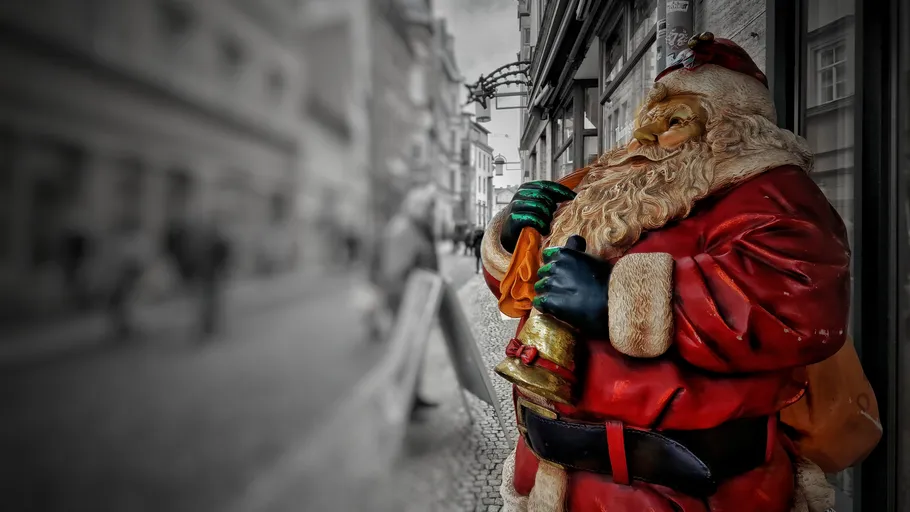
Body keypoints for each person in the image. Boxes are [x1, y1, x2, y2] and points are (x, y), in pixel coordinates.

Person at [479, 34, 878, 511]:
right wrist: (516, 236)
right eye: (647, 120)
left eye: (674, 121)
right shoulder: (604, 187)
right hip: (551, 479)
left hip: (681, 491)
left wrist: (616, 302)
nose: (646, 137)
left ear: (731, 128)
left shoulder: (772, 193)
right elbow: (524, 290)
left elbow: (796, 304)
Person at [374, 184, 440, 419]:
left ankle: (413, 396)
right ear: (419, 207)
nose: (433, 212)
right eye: (430, 207)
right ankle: (401, 402)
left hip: (415, 302)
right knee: (403, 351)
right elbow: (395, 272)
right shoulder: (404, 230)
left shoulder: (417, 228)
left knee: (415, 350)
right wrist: (405, 304)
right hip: (404, 303)